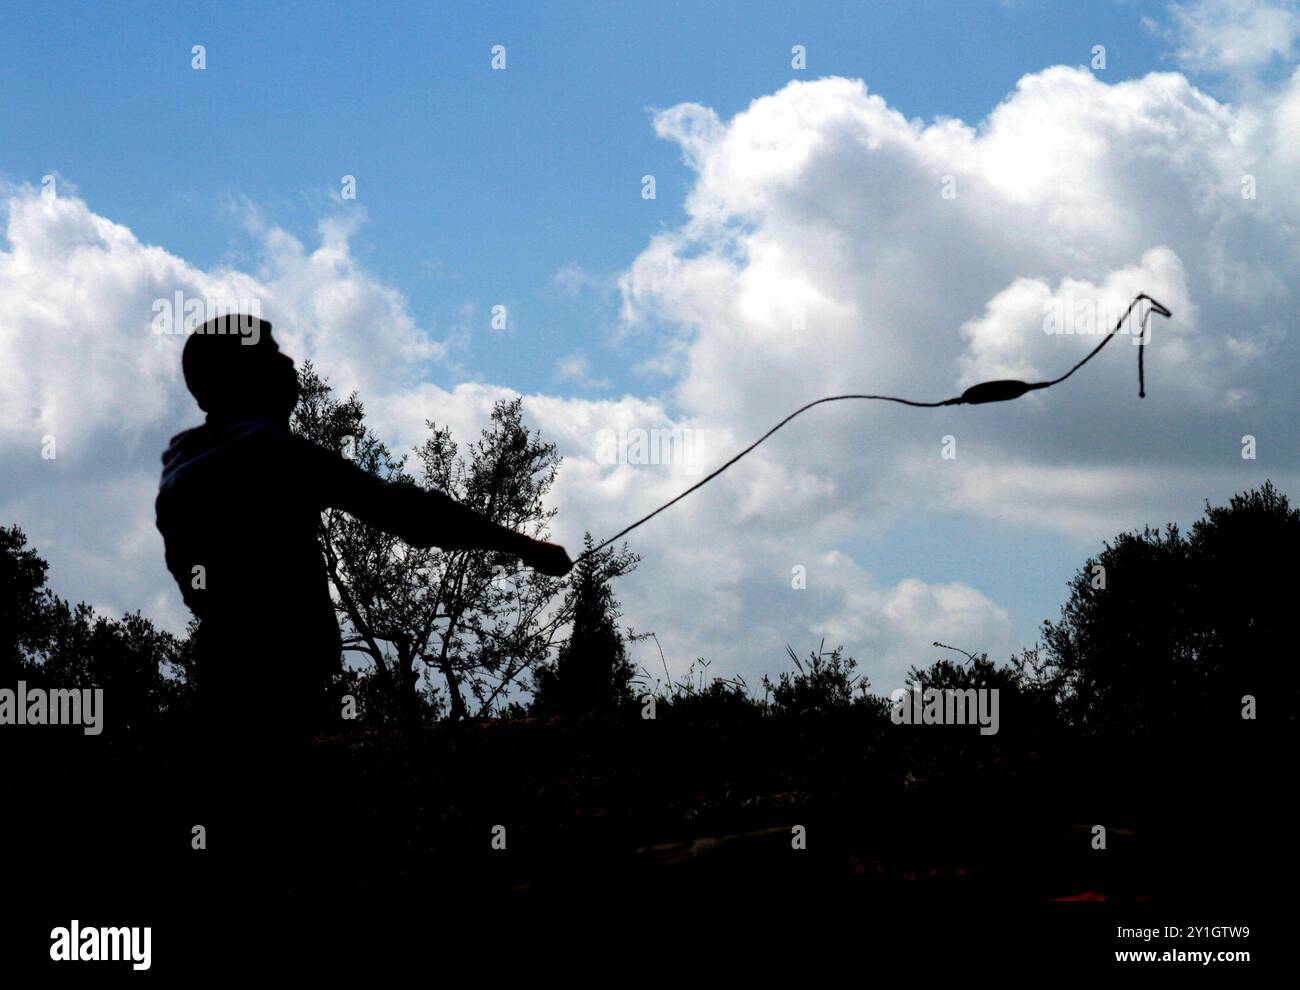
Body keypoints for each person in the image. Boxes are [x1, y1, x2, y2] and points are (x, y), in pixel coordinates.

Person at [155, 313, 572, 891]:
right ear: (239, 377)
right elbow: (408, 511)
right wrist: (522, 545)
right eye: (271, 354)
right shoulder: (267, 453)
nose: (289, 365)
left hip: (229, 678)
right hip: (273, 683)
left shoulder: (182, 469)